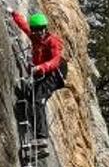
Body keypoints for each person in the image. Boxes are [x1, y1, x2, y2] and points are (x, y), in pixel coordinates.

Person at [7, 8, 68, 156]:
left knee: (38, 100)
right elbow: (24, 25)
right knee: (30, 97)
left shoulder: (53, 41)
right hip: (43, 72)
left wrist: (42, 67)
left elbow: (55, 60)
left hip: (55, 73)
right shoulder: (34, 37)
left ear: (45, 28)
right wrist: (13, 13)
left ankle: (41, 140)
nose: (39, 32)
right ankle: (38, 138)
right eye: (36, 30)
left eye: (41, 29)